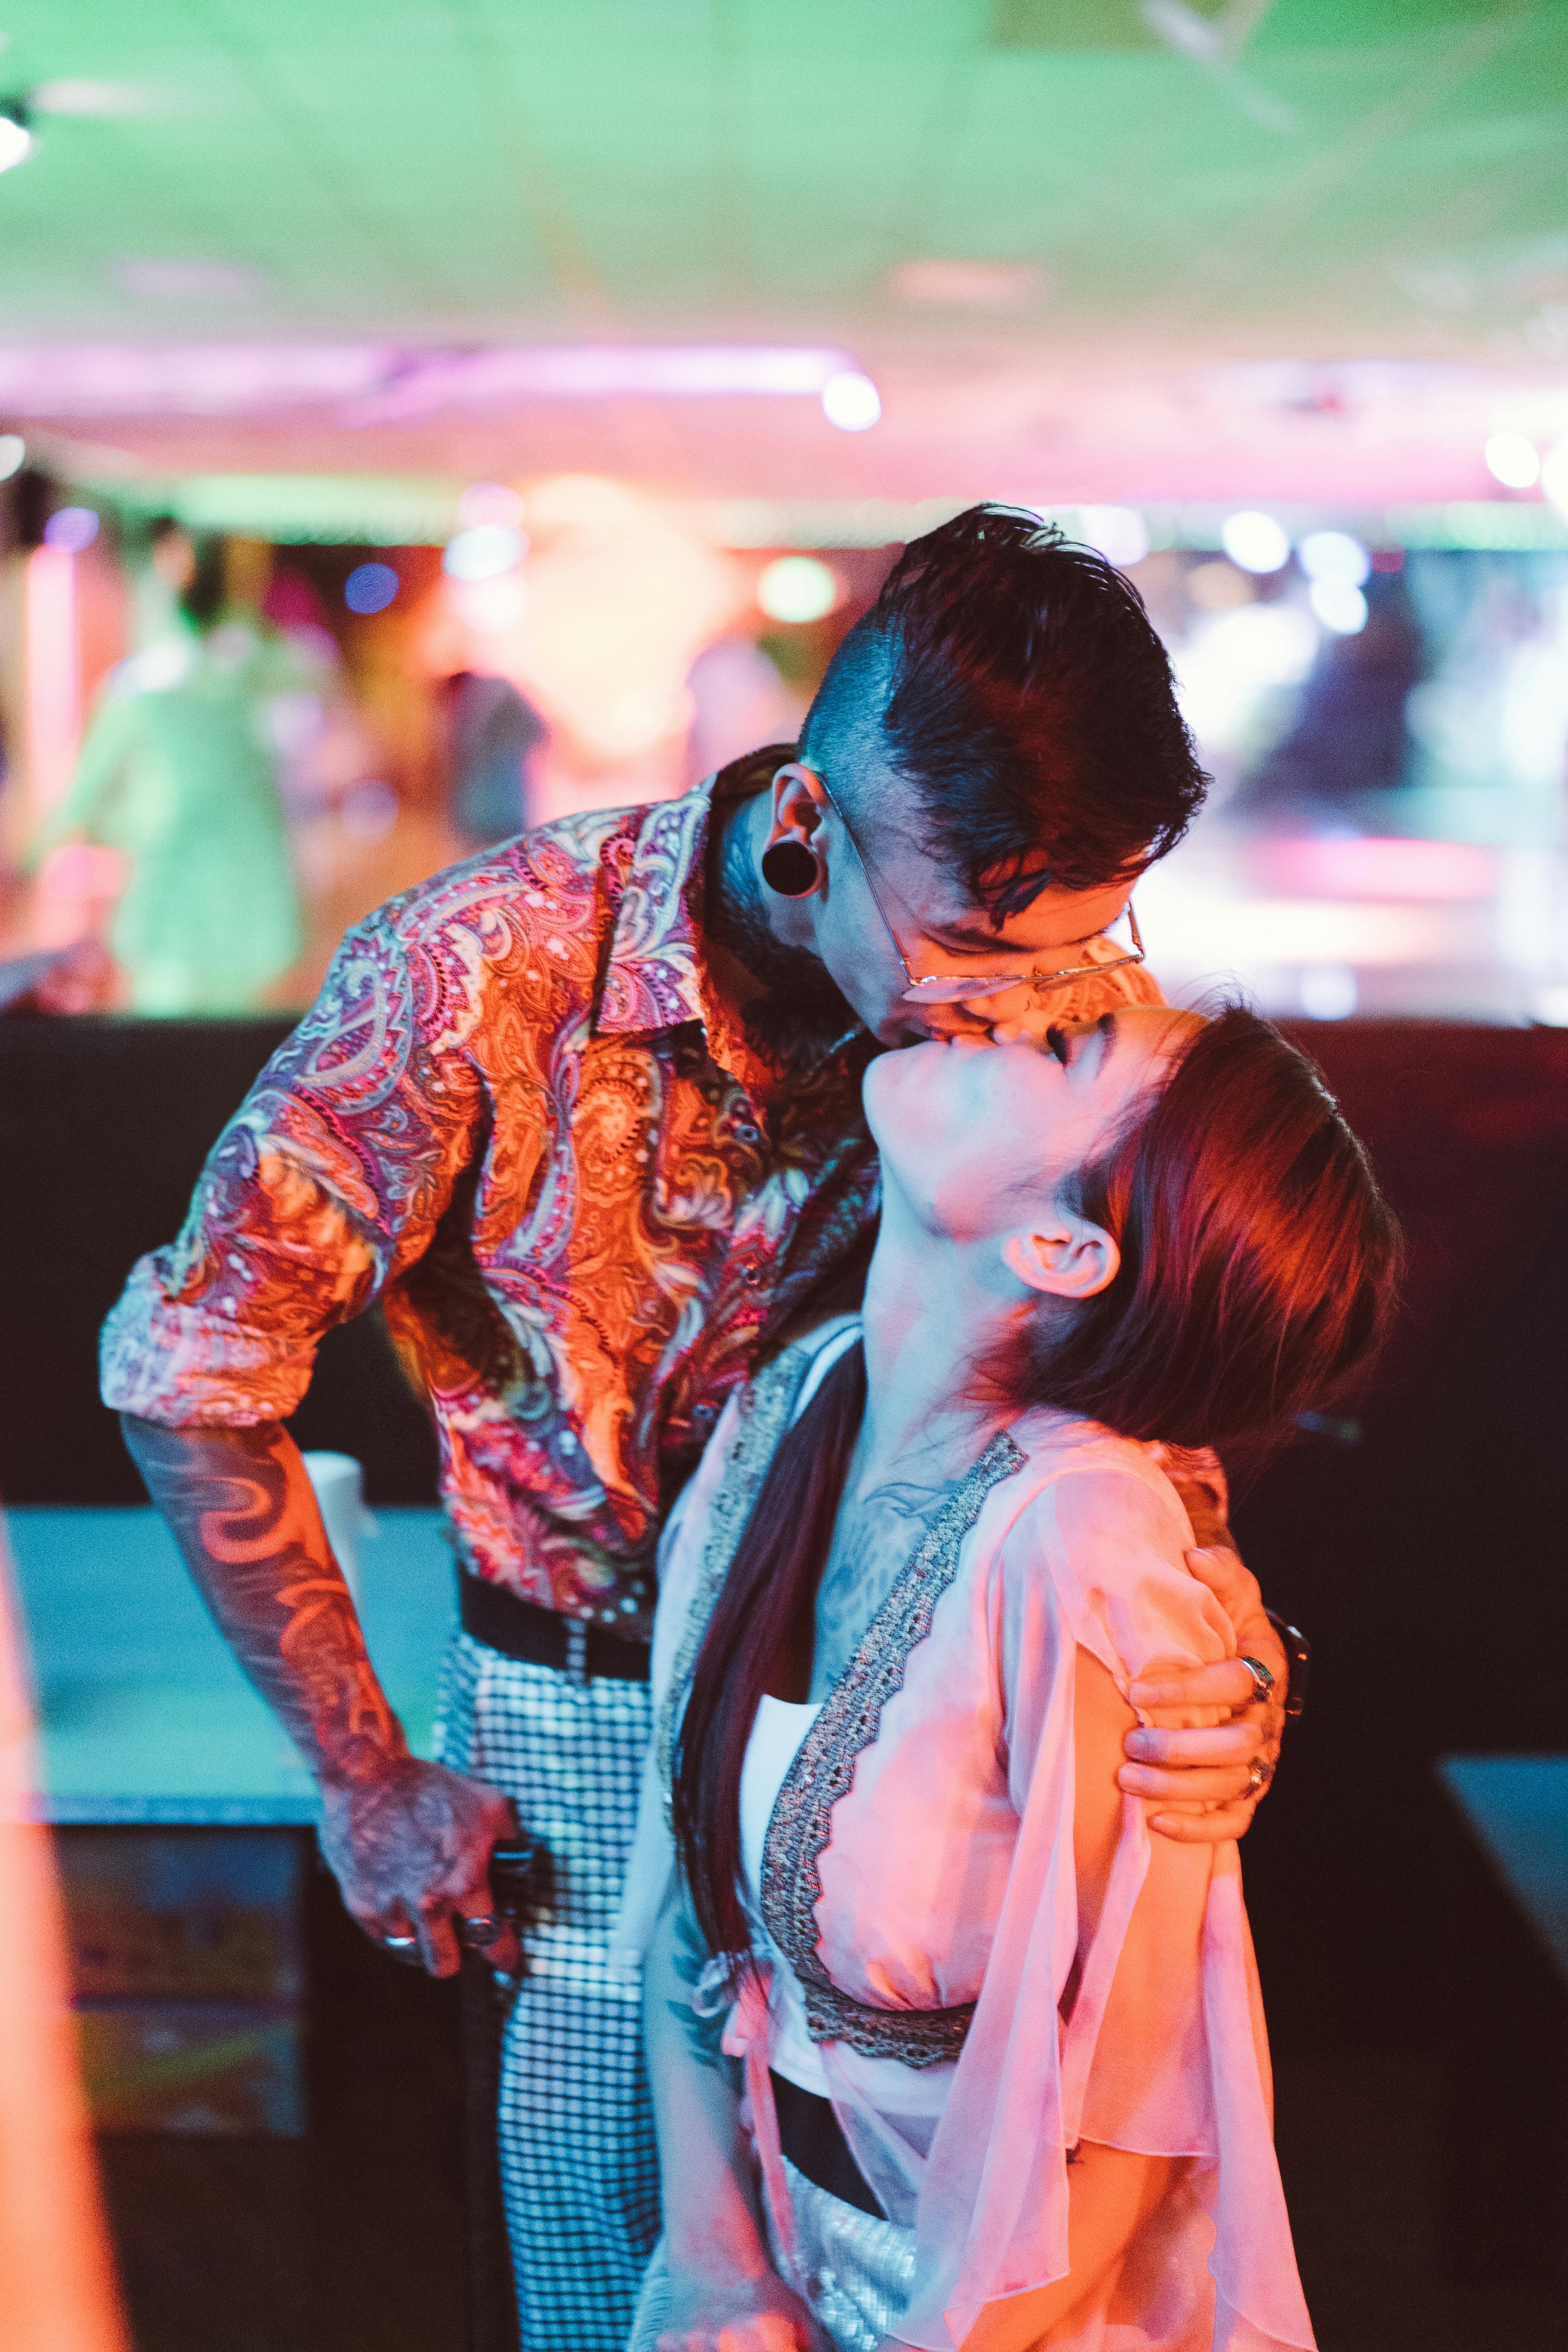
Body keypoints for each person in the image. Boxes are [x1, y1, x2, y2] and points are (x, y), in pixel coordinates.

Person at [102, 510, 1294, 2351]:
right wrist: (363, 1775)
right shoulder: (476, 966)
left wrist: (1207, 1645)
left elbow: (1119, 1348)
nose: (1025, 1001)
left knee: (964, 2270)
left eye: (1086, 938)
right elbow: (196, 1360)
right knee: (626, 2271)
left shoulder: (1045, 976)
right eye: (974, 940)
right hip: (581, 1731)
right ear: (801, 828)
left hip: (928, 1714)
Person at [625, 1002, 1399, 2352]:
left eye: (1064, 1050)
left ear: (1062, 1246)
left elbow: (1146, 2118)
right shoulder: (792, 1400)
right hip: (779, 2259)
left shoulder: (1078, 1536)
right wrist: (712, 2264)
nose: (1006, 1013)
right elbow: (689, 1929)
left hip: (1011, 2315)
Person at [34, 530, 310, 1015]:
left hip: (193, 868)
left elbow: (85, 792)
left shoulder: (151, 685)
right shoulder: (256, 672)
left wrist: (37, 855)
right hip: (234, 872)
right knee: (224, 1035)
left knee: (168, 1028)